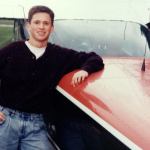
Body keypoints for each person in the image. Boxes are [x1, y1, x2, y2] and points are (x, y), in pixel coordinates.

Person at [0, 5, 104, 150]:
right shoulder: (12, 49)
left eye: (46, 23)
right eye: (37, 22)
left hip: (37, 126)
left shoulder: (59, 54)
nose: (41, 27)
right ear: (28, 25)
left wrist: (85, 70)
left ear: (52, 28)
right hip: (6, 120)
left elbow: (94, 58)